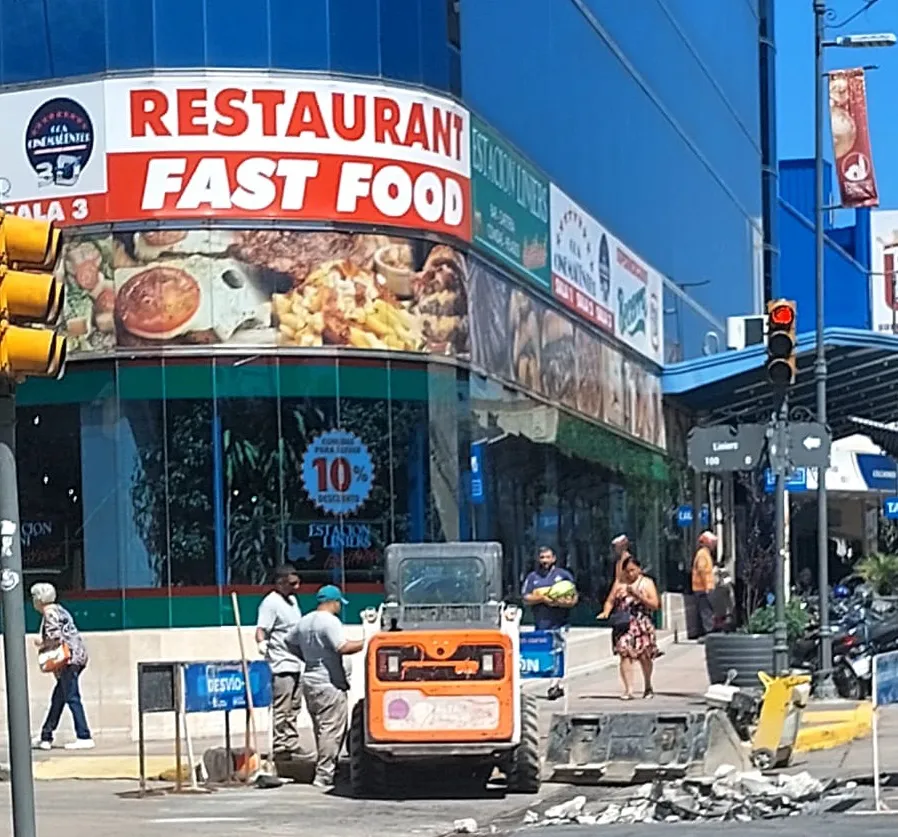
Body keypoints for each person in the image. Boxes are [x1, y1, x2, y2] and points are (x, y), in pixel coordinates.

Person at [286, 584, 364, 790]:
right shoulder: (330, 622)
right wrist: (368, 641)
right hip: (328, 683)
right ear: (334, 602)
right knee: (332, 729)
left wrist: (306, 656)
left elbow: (289, 642)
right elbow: (342, 647)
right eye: (339, 603)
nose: (339, 606)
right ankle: (325, 774)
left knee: (320, 728)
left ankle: (326, 768)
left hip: (310, 680)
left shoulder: (305, 621)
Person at [30, 582, 94, 750]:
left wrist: (41, 643)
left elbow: (55, 637)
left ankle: (84, 735)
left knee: (72, 697)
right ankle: (46, 735)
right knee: (58, 698)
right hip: (76, 657)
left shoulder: (49, 613)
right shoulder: (60, 610)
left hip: (68, 659)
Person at [255, 564, 305, 761]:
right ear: (280, 582)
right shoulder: (271, 603)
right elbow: (261, 630)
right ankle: (280, 746)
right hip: (281, 663)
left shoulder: (292, 601)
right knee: (282, 707)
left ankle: (291, 743)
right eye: (293, 583)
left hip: (297, 662)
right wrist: (262, 644)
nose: (297, 587)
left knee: (294, 707)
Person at [598, 556, 660, 700]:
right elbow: (610, 600)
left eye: (633, 570)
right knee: (624, 654)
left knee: (644, 656)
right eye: (627, 571)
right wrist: (606, 611)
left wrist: (637, 595)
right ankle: (628, 689)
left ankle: (648, 685)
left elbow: (655, 604)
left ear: (639, 569)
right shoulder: (619, 584)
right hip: (624, 624)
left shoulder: (646, 583)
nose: (630, 574)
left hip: (642, 624)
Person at [521, 547, 578, 701]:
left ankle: (555, 685)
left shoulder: (564, 576)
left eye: (547, 557)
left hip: (560, 624)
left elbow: (573, 599)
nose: (545, 561)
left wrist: (559, 603)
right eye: (542, 557)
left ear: (554, 558)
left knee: (558, 652)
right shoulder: (533, 577)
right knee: (541, 655)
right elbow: (526, 598)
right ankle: (536, 683)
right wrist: (543, 599)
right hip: (541, 624)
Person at [691, 531, 717, 637]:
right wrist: (707, 587)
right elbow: (702, 570)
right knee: (706, 611)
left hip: (703, 588)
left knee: (706, 610)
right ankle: (708, 633)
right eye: (712, 542)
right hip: (703, 588)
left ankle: (707, 632)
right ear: (707, 542)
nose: (714, 545)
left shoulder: (704, 553)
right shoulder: (703, 554)